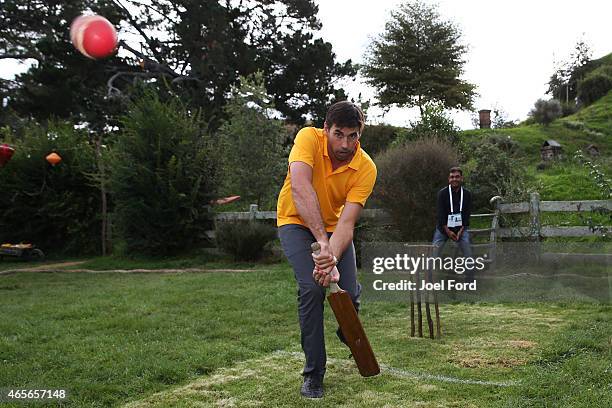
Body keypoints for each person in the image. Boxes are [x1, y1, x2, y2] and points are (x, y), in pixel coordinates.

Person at [276, 101, 377, 399]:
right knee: (312, 288)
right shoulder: (308, 138)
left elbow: (347, 223)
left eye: (353, 136)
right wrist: (323, 247)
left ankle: (346, 331)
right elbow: (300, 188)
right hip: (295, 221)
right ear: (326, 130)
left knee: (349, 292)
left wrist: (330, 255)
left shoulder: (366, 168)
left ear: (360, 134)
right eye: (338, 134)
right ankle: (313, 374)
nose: (345, 143)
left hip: (334, 228)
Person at [432, 166, 474, 281]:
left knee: (469, 255)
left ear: (461, 178)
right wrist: (448, 231)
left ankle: (469, 284)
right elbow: (441, 214)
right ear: (448, 179)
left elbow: (466, 214)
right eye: (452, 177)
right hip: (443, 229)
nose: (454, 179)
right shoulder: (442, 194)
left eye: (457, 177)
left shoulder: (467, 194)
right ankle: (429, 282)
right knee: (433, 254)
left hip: (461, 229)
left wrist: (460, 231)